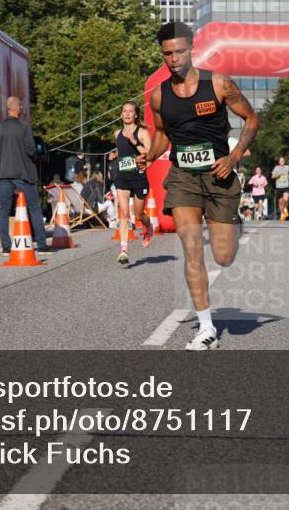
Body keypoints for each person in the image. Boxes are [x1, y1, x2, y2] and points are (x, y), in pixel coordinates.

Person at [138, 21, 259, 351]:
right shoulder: (159, 94)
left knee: (223, 257)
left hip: (219, 175)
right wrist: (149, 155)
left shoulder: (218, 84)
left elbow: (251, 119)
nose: (173, 58)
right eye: (167, 53)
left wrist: (233, 158)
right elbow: (162, 134)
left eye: (179, 51)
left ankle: (234, 226)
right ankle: (206, 327)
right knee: (190, 244)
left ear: (191, 50)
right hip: (183, 177)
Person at [0, 96, 49, 255]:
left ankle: (6, 247)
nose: (22, 108)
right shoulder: (24, 127)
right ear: (18, 108)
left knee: (3, 210)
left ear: (7, 108)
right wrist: (38, 155)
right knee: (34, 208)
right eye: (21, 106)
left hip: (4, 175)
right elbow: (31, 150)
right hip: (24, 174)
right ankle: (42, 244)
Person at [109, 101, 153, 264]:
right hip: (122, 177)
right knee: (125, 214)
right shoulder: (116, 133)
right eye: (124, 111)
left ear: (136, 115)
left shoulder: (142, 132)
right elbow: (123, 152)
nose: (127, 114)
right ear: (121, 114)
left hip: (139, 177)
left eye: (130, 111)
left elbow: (149, 154)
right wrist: (115, 155)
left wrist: (133, 140)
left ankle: (148, 228)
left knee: (139, 214)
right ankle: (123, 250)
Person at [271, 156, 289, 220]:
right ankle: (282, 214)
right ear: (279, 162)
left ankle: (285, 209)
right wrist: (278, 175)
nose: (282, 162)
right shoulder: (276, 168)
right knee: (280, 202)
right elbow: (272, 177)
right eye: (281, 161)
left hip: (286, 186)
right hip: (279, 186)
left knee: (286, 199)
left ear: (284, 161)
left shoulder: (287, 167)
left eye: (283, 160)